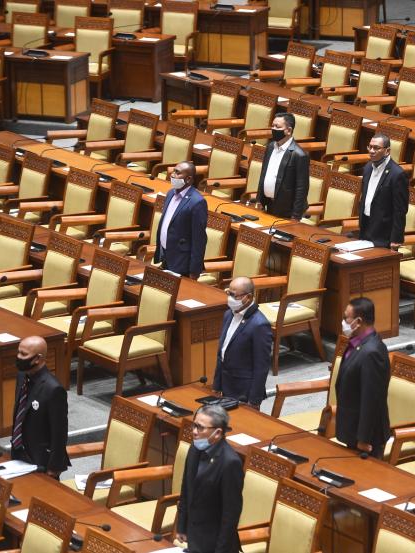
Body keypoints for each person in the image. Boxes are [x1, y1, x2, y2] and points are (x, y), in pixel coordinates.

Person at [176, 405, 243, 553]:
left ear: (217, 433)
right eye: (194, 425)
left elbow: (230, 515)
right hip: (194, 538)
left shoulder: (230, 462)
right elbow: (186, 488)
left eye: (200, 428)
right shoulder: (194, 448)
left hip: (214, 543)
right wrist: (181, 525)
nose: (194, 431)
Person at [335, 298, 390, 458]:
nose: (343, 322)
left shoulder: (372, 352)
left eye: (346, 318)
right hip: (351, 429)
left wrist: (363, 438)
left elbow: (371, 399)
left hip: (366, 439)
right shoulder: (357, 343)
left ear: (358, 322)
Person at [11, 336, 70, 479]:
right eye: (18, 352)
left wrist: (54, 467)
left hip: (41, 461)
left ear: (37, 358)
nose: (18, 357)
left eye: (24, 354)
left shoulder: (53, 389)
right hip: (19, 453)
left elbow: (59, 432)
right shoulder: (22, 376)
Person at [213, 277, 271, 408]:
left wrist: (254, 400)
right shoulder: (228, 314)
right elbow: (222, 353)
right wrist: (216, 385)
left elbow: (261, 366)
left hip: (244, 392)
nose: (230, 298)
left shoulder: (259, 325)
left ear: (248, 297)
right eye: (228, 293)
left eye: (233, 295)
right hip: (226, 385)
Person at [155, 161, 208, 279]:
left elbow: (199, 240)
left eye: (177, 173)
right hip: (166, 257)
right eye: (173, 171)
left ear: (188, 179)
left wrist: (194, 271)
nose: (172, 175)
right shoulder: (170, 194)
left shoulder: (197, 202)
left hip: (182, 263)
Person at [358, 133, 409, 250]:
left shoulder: (397, 174)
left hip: (384, 235)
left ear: (387, 151)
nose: (371, 151)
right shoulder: (367, 168)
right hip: (365, 228)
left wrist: (396, 239)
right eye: (370, 147)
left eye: (376, 148)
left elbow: (400, 210)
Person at [256, 112, 310, 220]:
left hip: (287, 211)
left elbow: (302, 188)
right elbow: (264, 174)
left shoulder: (299, 155)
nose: (273, 129)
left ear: (288, 130)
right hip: (268, 206)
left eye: (277, 127)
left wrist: (295, 216)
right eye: (272, 126)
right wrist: (259, 200)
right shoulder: (270, 147)